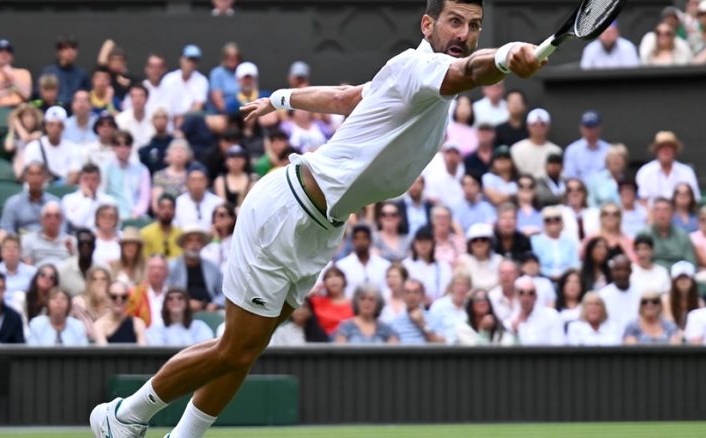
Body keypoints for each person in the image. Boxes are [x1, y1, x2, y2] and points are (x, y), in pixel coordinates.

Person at [91, 1, 551, 435]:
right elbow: (469, 71)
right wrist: (507, 55)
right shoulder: (418, 66)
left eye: (474, 26)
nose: (464, 34)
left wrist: (281, 98)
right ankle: (123, 416)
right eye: (454, 21)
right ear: (427, 25)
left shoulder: (411, 80)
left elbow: (345, 97)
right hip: (287, 213)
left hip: (321, 227)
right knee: (236, 348)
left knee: (245, 348)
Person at [167, 225, 224, 312]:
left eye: (198, 240)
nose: (194, 244)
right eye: (190, 240)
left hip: (209, 311)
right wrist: (185, 302)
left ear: (202, 245)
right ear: (183, 244)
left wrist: (216, 304)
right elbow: (166, 292)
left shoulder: (212, 267)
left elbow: (223, 292)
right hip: (181, 312)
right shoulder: (171, 267)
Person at [635, 131, 700, 202]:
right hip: (652, 209)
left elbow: (695, 199)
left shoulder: (686, 171)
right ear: (656, 151)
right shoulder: (645, 171)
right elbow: (642, 201)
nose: (666, 150)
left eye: (669, 147)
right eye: (662, 147)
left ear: (675, 150)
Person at [23, 106, 80, 185]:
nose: (55, 129)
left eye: (59, 125)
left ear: (64, 127)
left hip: (64, 187)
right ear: (45, 126)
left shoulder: (73, 148)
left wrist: (62, 190)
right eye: (51, 125)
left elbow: (74, 173)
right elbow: (30, 173)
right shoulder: (33, 147)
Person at [103, 131, 151, 219]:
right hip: (111, 215)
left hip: (136, 216)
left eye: (126, 144)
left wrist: (137, 213)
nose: (123, 149)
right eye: (118, 145)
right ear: (113, 147)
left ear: (131, 147)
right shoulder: (105, 168)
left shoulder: (142, 169)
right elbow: (102, 193)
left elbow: (144, 198)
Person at [638, 198, 696, 270]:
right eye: (657, 210)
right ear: (652, 213)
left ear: (673, 213)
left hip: (678, 274)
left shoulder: (683, 235)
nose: (661, 214)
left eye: (665, 210)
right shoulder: (643, 235)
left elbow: (691, 263)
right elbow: (640, 262)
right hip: (651, 273)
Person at [146, 288, 216, 347]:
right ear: (165, 304)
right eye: (170, 299)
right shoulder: (156, 329)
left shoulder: (200, 327)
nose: (175, 301)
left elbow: (205, 350)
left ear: (186, 303)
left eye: (180, 298)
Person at [336, 225, 391, 297]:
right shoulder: (341, 266)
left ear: (370, 241)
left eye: (364, 238)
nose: (360, 242)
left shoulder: (384, 265)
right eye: (357, 238)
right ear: (352, 241)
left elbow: (387, 290)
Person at [333, 284, 399, 344]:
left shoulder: (386, 329)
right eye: (362, 299)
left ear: (378, 303)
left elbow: (393, 350)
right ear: (356, 302)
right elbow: (339, 351)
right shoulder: (345, 327)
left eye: (371, 299)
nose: (367, 302)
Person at [159, 44, 210, 121]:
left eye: (195, 61)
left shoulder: (202, 80)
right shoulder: (168, 79)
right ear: (181, 60)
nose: (191, 63)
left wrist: (183, 119)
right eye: (189, 59)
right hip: (168, 119)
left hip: (189, 120)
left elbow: (198, 106)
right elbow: (163, 104)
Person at [530, 205, 580, 281]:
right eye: (548, 220)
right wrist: (551, 275)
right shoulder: (535, 241)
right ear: (543, 223)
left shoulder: (570, 241)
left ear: (562, 222)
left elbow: (575, 263)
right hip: (543, 279)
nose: (552, 222)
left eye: (557, 219)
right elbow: (534, 265)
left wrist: (564, 275)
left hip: (566, 280)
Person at [509, 108, 560, 179]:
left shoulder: (556, 150)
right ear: (528, 126)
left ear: (548, 127)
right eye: (534, 125)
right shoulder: (516, 149)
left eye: (542, 124)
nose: (538, 128)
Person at [402, 228, 452, 300]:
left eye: (426, 241)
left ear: (433, 243)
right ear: (414, 244)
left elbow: (447, 288)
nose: (423, 245)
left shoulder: (443, 266)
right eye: (420, 241)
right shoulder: (406, 265)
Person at [174, 164, 225, 233]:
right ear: (187, 182)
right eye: (193, 180)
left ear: (207, 182)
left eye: (201, 180)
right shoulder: (177, 203)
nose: (197, 184)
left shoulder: (218, 203)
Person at [21, 201, 75, 267]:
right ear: (41, 219)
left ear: (62, 219)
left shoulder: (71, 241)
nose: (53, 220)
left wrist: (71, 252)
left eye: (57, 216)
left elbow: (76, 267)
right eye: (48, 216)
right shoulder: (28, 240)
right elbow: (27, 269)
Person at [597, 255, 643, 330]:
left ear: (631, 271)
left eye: (625, 269)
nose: (622, 273)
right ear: (611, 271)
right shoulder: (602, 295)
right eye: (617, 270)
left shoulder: (641, 293)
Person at [562, 110, 611, 181]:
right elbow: (570, 176)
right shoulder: (572, 150)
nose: (590, 130)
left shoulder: (609, 149)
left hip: (604, 187)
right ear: (581, 128)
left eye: (593, 126)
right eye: (587, 126)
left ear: (599, 128)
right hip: (580, 187)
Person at [94, 281, 147, 345]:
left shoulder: (138, 323)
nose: (119, 300)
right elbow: (103, 350)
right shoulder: (99, 325)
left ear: (127, 299)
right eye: (114, 297)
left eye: (123, 297)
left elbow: (142, 348)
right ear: (108, 299)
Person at [0, 235, 36, 306]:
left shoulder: (32, 272)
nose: (11, 251)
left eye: (15, 248)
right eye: (7, 248)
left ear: (20, 252)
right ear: (1, 253)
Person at [39, 36, 89, 104]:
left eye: (73, 48)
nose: (70, 51)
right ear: (58, 52)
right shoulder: (48, 72)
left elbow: (88, 97)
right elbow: (39, 96)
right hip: (53, 107)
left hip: (75, 109)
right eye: (66, 48)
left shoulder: (82, 74)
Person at [459, 222, 502, 292]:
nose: (479, 243)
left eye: (483, 239)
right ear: (469, 244)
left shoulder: (499, 260)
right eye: (475, 240)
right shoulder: (463, 260)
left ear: (490, 243)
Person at [663, 260, 704, 330]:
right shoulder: (665, 300)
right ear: (673, 281)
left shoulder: (699, 302)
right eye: (679, 278)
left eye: (686, 277)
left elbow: (700, 325)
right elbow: (669, 324)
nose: (683, 281)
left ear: (692, 281)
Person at [587, 144, 629, 208]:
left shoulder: (628, 182)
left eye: (620, 157)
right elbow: (591, 203)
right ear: (607, 161)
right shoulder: (596, 180)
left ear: (625, 162)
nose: (616, 160)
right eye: (613, 157)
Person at [142, 194, 182, 260]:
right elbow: (145, 259)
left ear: (174, 211)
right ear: (157, 210)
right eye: (163, 208)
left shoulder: (181, 234)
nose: (166, 211)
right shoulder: (145, 233)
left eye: (170, 208)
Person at [560, 178, 600, 243]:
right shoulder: (560, 213)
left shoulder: (595, 213)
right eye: (570, 190)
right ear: (566, 194)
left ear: (584, 193)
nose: (575, 193)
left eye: (579, 190)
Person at [201, 203, 236, 273]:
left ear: (232, 219)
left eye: (221, 215)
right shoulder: (206, 241)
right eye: (215, 215)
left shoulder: (236, 240)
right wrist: (216, 240)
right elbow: (213, 263)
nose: (217, 218)